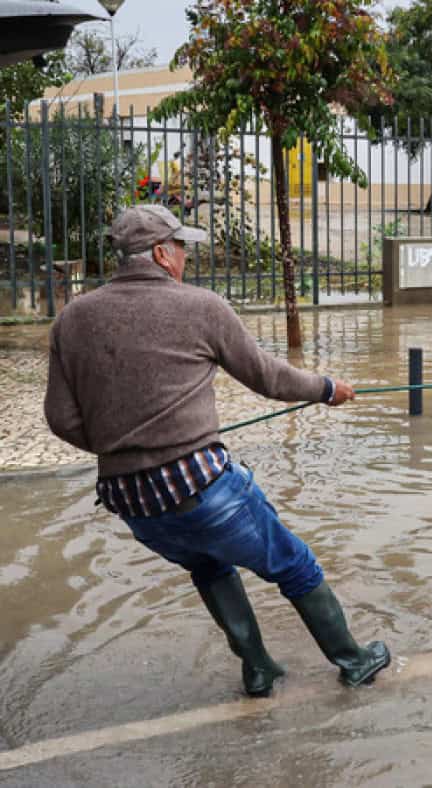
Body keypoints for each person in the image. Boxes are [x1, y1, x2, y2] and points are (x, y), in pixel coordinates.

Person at [43, 204, 390, 698]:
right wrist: (327, 386)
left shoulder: (71, 319)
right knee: (295, 566)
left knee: (206, 564)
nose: (186, 256)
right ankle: (354, 661)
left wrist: (121, 446)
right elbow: (269, 377)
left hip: (132, 503)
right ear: (162, 254)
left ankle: (259, 670)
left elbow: (61, 420)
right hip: (201, 486)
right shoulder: (202, 307)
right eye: (181, 247)